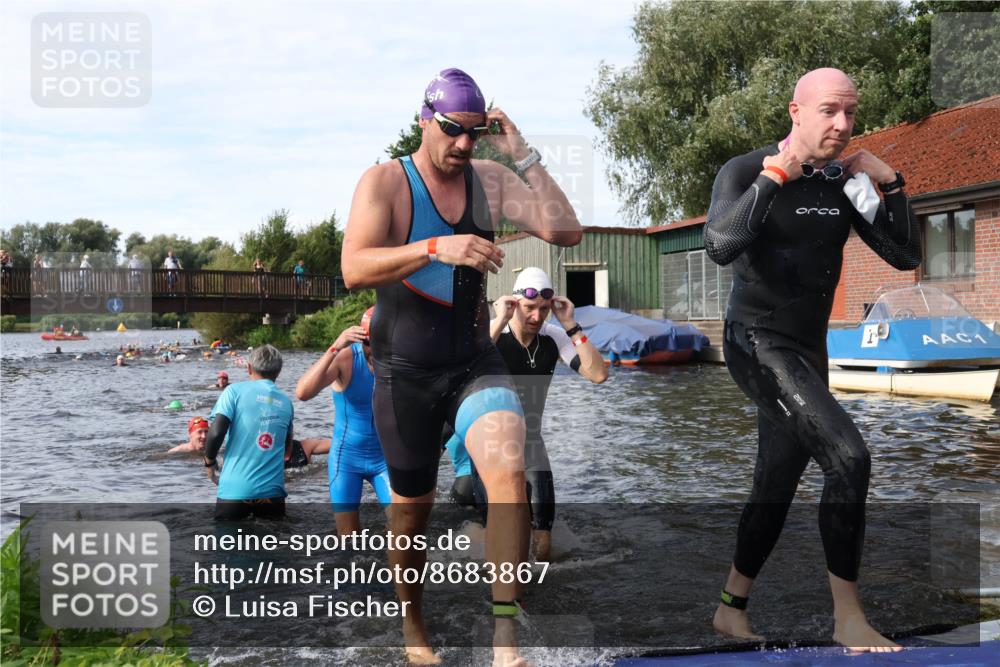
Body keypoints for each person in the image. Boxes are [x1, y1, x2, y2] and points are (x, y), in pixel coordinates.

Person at [341, 67, 582, 665]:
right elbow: (354, 268)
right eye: (453, 130)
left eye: (475, 133)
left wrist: (523, 155)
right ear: (424, 120)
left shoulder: (491, 180)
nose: (464, 145)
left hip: (473, 361)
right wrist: (433, 247)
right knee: (411, 519)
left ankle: (505, 638)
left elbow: (566, 231)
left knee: (507, 469)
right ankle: (414, 628)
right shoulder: (385, 183)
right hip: (405, 374)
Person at [704, 68, 921, 653]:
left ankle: (731, 607)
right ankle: (848, 617)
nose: (843, 125)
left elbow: (903, 256)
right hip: (755, 343)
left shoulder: (842, 183)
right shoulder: (747, 170)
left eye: (850, 113)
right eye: (829, 111)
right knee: (849, 459)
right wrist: (775, 178)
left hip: (807, 353)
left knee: (775, 482)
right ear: (796, 112)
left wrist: (891, 184)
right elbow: (721, 245)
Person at [445, 267, 607, 561]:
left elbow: (597, 375)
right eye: (530, 308)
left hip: (530, 442)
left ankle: (535, 596)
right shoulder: (491, 333)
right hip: (490, 446)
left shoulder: (554, 337)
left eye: (543, 309)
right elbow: (459, 373)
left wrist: (572, 325)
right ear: (515, 302)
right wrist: (500, 321)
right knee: (502, 534)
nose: (537, 316)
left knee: (542, 542)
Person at [296, 308, 392, 536]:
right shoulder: (347, 359)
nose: (371, 349)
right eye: (366, 342)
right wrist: (334, 347)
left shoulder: (398, 361)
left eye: (377, 342)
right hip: (347, 458)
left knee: (404, 525)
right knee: (348, 538)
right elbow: (303, 392)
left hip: (385, 458)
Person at [203, 344, 295, 520]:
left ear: (249, 368)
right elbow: (287, 450)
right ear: (279, 371)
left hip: (235, 491)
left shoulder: (233, 392)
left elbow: (216, 433)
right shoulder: (286, 402)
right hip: (272, 493)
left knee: (225, 545)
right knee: (273, 545)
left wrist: (209, 462)